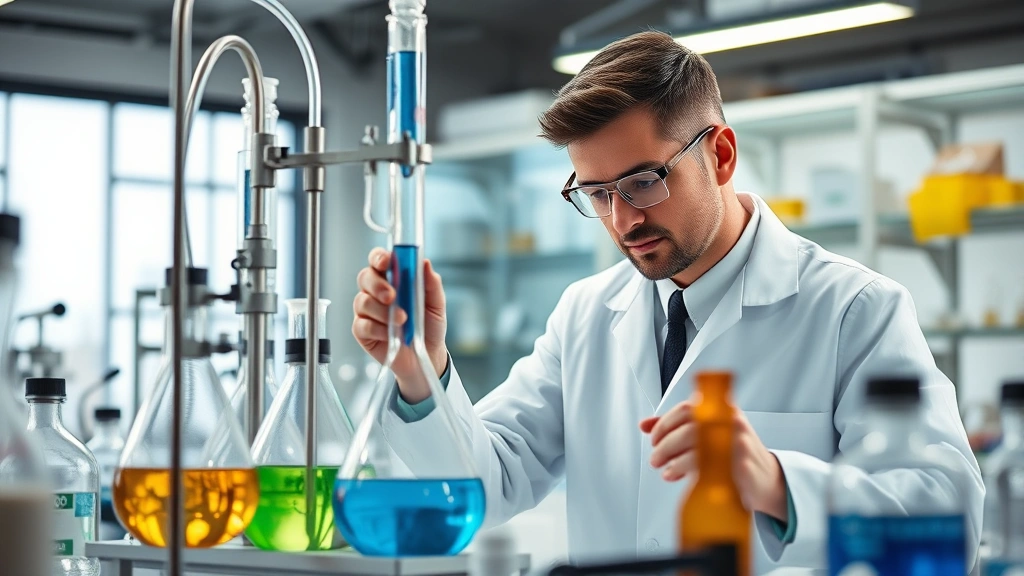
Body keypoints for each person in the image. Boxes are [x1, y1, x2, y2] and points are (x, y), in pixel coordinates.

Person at [351, 30, 983, 572]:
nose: (623, 219)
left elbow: (947, 509)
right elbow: (486, 484)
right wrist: (420, 372)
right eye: (597, 193)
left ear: (722, 155)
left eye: (644, 181)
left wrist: (775, 482)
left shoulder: (855, 308)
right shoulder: (585, 313)